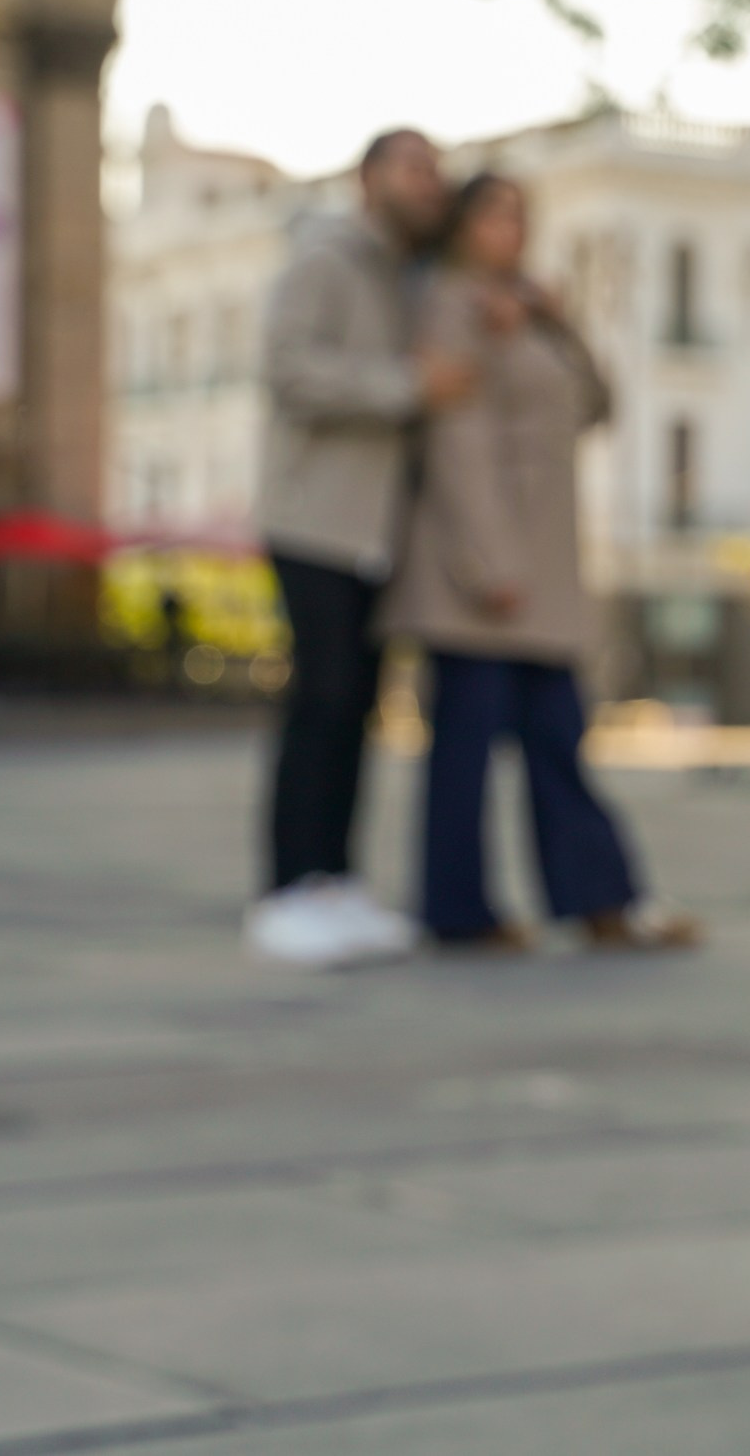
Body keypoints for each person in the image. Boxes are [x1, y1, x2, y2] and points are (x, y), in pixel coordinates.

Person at [382, 173, 702, 953]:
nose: (512, 228)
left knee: (558, 737)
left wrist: (558, 321)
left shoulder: (526, 310)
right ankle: (460, 914)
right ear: (461, 223)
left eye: (521, 215)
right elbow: (455, 444)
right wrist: (486, 564)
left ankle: (602, 902)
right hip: (480, 572)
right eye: (495, 213)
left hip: (541, 572)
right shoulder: (449, 304)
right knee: (465, 752)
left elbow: (596, 404)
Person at [246, 129, 473, 968]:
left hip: (374, 531)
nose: (431, 184)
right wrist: (408, 385)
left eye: (436, 171)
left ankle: (335, 884)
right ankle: (286, 891)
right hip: (314, 519)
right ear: (368, 177)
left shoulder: (404, 272)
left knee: (358, 706)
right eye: (414, 168)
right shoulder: (324, 256)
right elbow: (288, 370)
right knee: (322, 699)